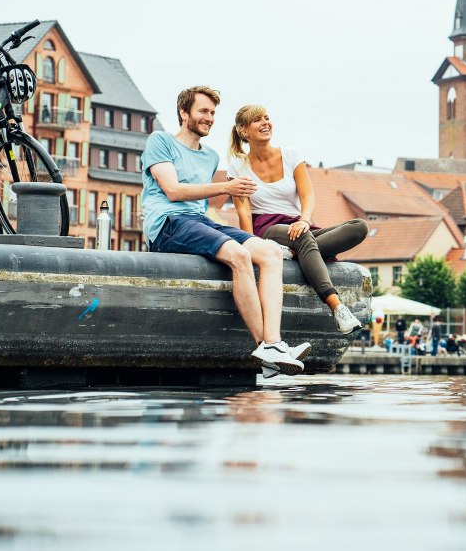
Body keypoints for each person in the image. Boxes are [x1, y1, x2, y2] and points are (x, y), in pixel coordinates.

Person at [142, 86, 307, 377]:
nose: (209, 118)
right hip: (167, 223)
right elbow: (173, 190)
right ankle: (264, 347)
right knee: (239, 255)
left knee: (270, 252)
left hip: (199, 221)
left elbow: (199, 206)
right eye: (203, 111)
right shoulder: (161, 141)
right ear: (184, 113)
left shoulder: (210, 156)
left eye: (213, 113)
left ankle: (274, 344)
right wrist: (227, 187)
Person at [227, 104, 368, 334]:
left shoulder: (291, 155)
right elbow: (244, 212)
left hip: (299, 226)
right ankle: (337, 307)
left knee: (358, 227)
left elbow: (308, 196)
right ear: (243, 131)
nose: (265, 123)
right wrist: (253, 246)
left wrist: (304, 219)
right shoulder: (237, 166)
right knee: (303, 238)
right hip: (267, 229)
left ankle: (292, 253)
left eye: (266, 117)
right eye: (257, 120)